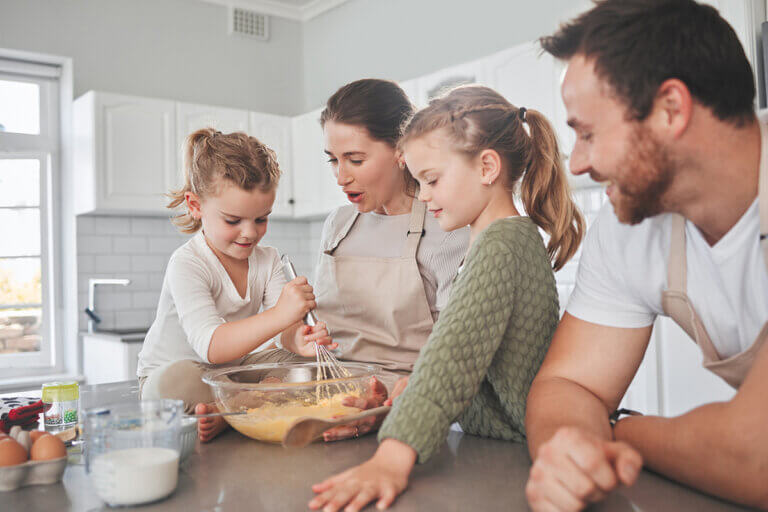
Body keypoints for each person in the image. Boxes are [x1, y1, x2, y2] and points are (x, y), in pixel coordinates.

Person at [525, 1, 768, 510]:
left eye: (588, 133)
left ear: (671, 110)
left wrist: (622, 435)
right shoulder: (627, 226)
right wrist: (572, 451)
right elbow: (568, 385)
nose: (578, 162)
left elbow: (756, 454)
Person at [309, 85, 585, 512]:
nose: (422, 195)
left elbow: (454, 358)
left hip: (518, 454)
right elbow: (469, 362)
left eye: (432, 180)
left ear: (487, 167)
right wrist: (401, 393)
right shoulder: (498, 239)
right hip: (496, 448)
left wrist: (390, 460)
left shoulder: (501, 245)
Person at [136, 128, 332, 442]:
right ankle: (245, 405)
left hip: (235, 373)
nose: (249, 234)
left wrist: (299, 339)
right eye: (233, 220)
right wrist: (283, 314)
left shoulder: (268, 260)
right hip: (186, 374)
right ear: (195, 206)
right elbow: (212, 347)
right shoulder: (187, 263)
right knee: (171, 385)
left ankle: (229, 411)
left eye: (261, 219)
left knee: (307, 366)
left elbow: (281, 335)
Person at [313, 79, 470, 441]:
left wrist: (399, 399)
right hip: (325, 397)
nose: (341, 176)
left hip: (406, 408)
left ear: (401, 151)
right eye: (333, 161)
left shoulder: (447, 228)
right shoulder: (337, 224)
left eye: (355, 159)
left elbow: (459, 353)